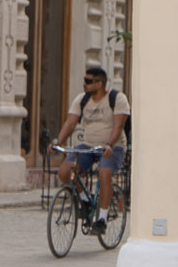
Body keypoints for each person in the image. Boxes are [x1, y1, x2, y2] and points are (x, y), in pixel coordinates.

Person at [52, 66, 130, 231]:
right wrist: (58, 142)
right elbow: (70, 123)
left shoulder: (117, 98)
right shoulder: (82, 100)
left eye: (88, 81)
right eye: (84, 80)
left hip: (112, 146)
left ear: (100, 84)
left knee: (104, 173)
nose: (84, 84)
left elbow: (118, 126)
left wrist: (109, 144)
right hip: (88, 146)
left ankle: (102, 219)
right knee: (65, 172)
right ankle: (85, 200)